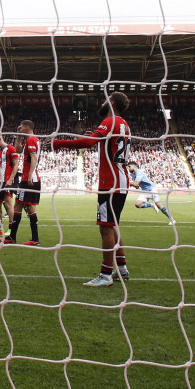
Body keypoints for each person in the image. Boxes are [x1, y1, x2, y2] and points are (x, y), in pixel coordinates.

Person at [53, 91, 132, 287]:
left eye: (106, 99)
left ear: (111, 102)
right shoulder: (124, 124)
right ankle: (121, 268)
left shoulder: (110, 121)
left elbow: (89, 143)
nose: (103, 102)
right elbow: (106, 143)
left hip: (110, 182)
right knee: (113, 226)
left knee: (105, 228)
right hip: (121, 181)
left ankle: (105, 275)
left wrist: (59, 143)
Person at [3, 120, 41, 246]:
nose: (19, 128)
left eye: (21, 127)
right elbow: (18, 149)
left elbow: (34, 157)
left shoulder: (31, 140)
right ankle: (19, 237)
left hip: (28, 180)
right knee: (24, 206)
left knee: (22, 206)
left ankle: (21, 237)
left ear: (26, 127)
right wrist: (18, 136)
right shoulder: (33, 140)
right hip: (30, 179)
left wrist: (29, 175)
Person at [0, 133, 19, 237]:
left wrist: (11, 179)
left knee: (8, 205)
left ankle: (10, 229)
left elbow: (16, 166)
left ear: (0, 138)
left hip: (7, 182)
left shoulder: (11, 149)